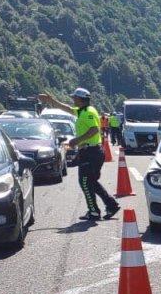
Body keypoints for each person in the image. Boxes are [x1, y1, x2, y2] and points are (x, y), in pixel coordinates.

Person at [38, 88, 119, 221]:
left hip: (91, 152)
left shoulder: (88, 112)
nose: (73, 100)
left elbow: (94, 130)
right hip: (89, 151)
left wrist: (77, 140)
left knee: (85, 182)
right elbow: (67, 108)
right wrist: (51, 100)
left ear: (81, 99)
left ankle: (94, 211)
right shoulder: (81, 111)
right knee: (91, 182)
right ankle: (110, 205)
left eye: (75, 98)